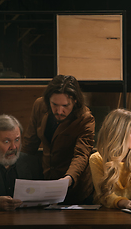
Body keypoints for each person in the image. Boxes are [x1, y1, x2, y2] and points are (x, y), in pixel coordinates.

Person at [22, 75, 95, 205]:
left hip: (75, 188)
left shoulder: (85, 119)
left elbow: (81, 155)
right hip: (46, 180)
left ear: (75, 102)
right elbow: (29, 144)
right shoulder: (40, 105)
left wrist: (68, 178)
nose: (59, 111)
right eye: (54, 104)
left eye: (65, 106)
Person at [89, 109, 131, 210]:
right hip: (107, 214)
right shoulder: (97, 159)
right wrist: (124, 203)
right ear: (118, 135)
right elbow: (104, 196)